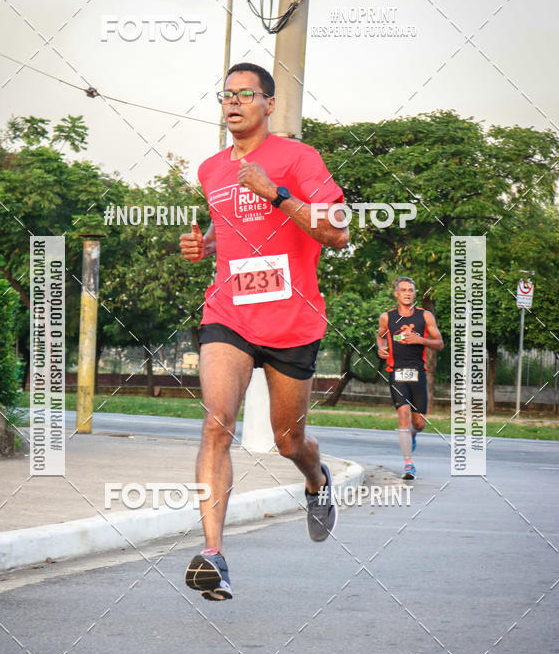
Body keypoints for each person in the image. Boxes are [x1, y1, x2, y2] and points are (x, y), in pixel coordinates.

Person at [179, 62, 347, 601]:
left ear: (268, 104)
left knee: (287, 440)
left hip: (292, 320)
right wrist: (205, 244)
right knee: (215, 425)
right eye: (225, 95)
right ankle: (214, 555)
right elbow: (227, 225)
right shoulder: (210, 169)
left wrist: (276, 193)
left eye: (245, 94)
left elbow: (337, 233)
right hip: (228, 314)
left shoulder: (299, 159)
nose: (232, 102)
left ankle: (316, 479)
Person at [376, 277, 444, 480]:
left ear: (415, 294)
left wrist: (420, 339)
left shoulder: (426, 316)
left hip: (418, 372)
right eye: (403, 290)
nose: (407, 293)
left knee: (419, 423)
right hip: (396, 372)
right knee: (403, 417)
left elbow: (439, 343)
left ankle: (412, 434)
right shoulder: (387, 317)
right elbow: (380, 335)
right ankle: (408, 464)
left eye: (411, 290)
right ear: (396, 294)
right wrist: (381, 347)